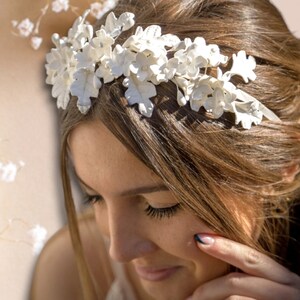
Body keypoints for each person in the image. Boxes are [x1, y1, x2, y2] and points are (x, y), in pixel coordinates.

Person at [30, 0, 300, 299]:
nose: (119, 250)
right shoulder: (75, 271)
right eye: (93, 197)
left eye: (160, 205)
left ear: (284, 165)